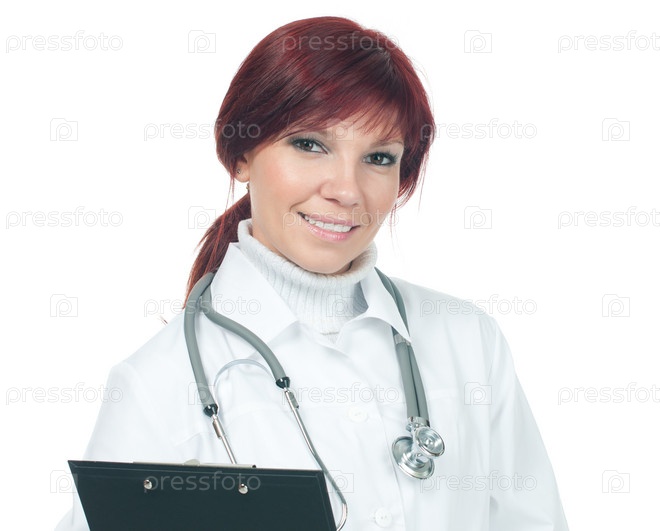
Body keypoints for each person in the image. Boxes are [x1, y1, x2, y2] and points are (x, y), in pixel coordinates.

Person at [56, 16, 569, 530]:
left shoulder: (469, 341)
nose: (346, 190)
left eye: (379, 157)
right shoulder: (156, 384)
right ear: (241, 155)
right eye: (309, 144)